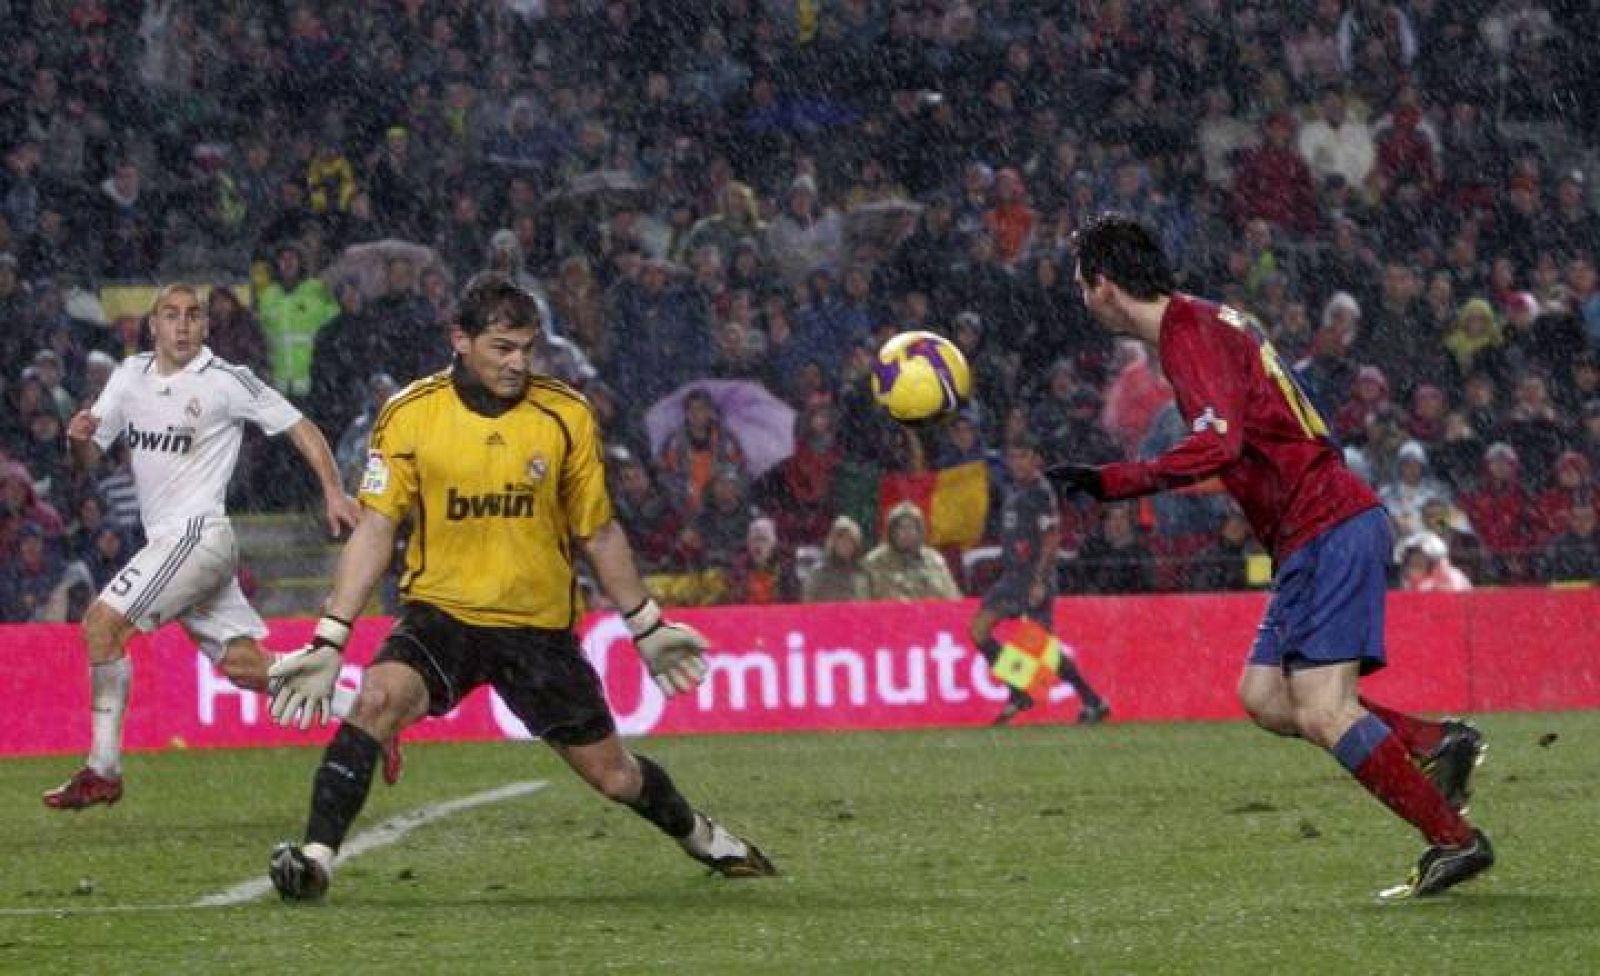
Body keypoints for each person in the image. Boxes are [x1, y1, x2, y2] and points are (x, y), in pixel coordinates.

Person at [263, 273, 774, 901]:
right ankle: (314, 861)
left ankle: (702, 836)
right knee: (374, 701)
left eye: (527, 349)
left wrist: (646, 625)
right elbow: (375, 528)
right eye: (502, 348)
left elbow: (599, 532)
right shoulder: (410, 414)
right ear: (460, 340)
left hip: (537, 631)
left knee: (614, 777)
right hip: (442, 618)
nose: (517, 363)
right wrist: (330, 638)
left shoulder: (565, 415)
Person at [1054, 214, 1492, 899]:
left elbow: (1218, 445)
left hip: (1327, 522)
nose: (1083, 298)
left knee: (1322, 710)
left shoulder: (1189, 335)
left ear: (1105, 284)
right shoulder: (1206, 321)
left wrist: (1115, 481)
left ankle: (1455, 840)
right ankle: (1436, 742)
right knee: (1265, 697)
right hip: (1309, 529)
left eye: (1083, 283)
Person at [44, 284, 364, 810]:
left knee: (101, 625)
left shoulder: (226, 380)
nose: (183, 325)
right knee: (245, 667)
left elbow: (300, 426)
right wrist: (77, 440)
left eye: (193, 315)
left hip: (198, 535)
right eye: (171, 315)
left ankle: (102, 769)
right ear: (153, 326)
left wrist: (333, 490)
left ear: (206, 326)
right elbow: (88, 459)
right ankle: (364, 710)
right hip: (176, 546)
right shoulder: (129, 377)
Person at [971, 437, 1111, 727]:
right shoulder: (1016, 490)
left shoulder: (1040, 492)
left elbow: (1051, 536)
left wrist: (1039, 580)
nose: (1017, 463)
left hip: (1031, 577)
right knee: (979, 629)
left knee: (1041, 648)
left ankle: (1092, 701)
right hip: (1012, 577)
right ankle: (1019, 692)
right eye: (1013, 457)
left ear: (1036, 460)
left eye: (1023, 457)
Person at [861, 500, 962, 601]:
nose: (907, 533)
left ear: (920, 531)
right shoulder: (874, 562)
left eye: (912, 527)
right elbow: (862, 602)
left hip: (930, 610)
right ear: (891, 531)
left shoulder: (934, 560)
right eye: (901, 528)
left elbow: (953, 597)